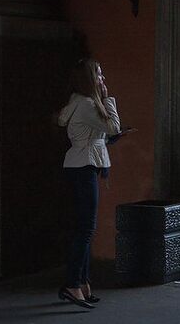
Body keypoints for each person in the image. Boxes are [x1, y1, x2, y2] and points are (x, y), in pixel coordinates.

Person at [57, 59, 121, 309]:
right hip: (83, 168)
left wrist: (108, 139)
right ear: (89, 79)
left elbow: (98, 136)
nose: (103, 80)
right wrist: (109, 99)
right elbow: (112, 127)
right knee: (85, 230)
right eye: (99, 75)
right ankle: (73, 284)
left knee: (84, 229)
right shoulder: (86, 104)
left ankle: (82, 283)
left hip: (82, 165)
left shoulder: (80, 103)